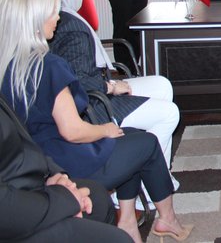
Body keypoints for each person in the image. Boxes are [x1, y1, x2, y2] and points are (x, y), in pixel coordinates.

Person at [0, 0, 192, 243]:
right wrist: (104, 130)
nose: (58, 17)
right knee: (146, 144)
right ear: (35, 20)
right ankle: (166, 219)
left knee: (130, 137)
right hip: (67, 159)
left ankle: (128, 223)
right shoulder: (49, 65)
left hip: (40, 155)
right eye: (52, 12)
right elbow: (72, 131)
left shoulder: (10, 64)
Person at [48, 10, 180, 187]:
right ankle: (150, 183)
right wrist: (110, 87)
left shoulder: (62, 21)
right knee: (170, 113)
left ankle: (158, 171)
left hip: (98, 86)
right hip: (91, 103)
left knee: (162, 85)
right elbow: (77, 82)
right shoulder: (69, 28)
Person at [0, 96, 132, 243]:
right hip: (13, 215)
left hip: (23, 185)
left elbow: (24, 144)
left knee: (98, 198)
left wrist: (55, 176)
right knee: (120, 239)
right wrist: (65, 200)